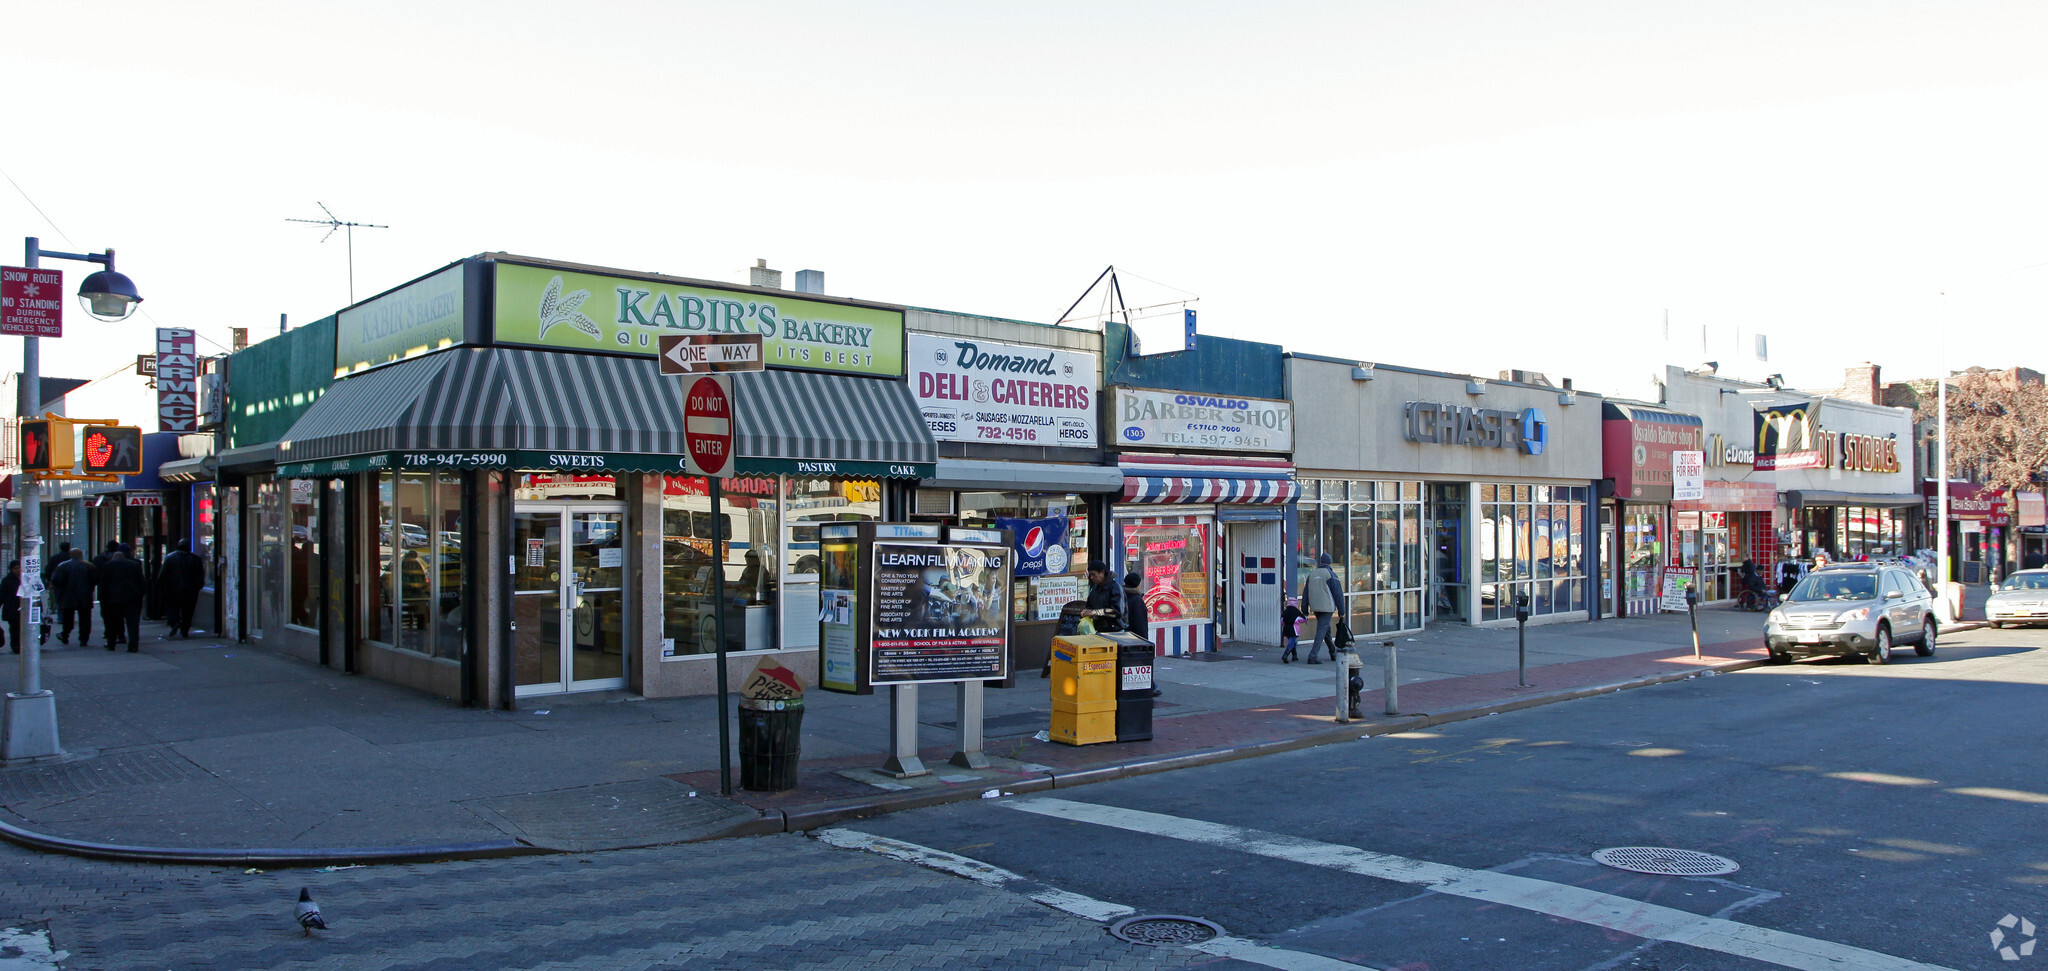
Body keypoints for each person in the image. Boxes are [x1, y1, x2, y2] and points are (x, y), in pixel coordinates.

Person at [98, 547, 146, 653]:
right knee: (133, 624)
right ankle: (133, 645)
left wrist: (103, 599)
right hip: (132, 598)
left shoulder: (108, 566)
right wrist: (140, 595)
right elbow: (141, 582)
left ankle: (111, 643)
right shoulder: (135, 565)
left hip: (114, 598)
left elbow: (104, 584)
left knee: (113, 623)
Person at [1298, 552, 1341, 664]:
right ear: (1330, 562)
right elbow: (1338, 594)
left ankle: (1333, 653)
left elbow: (1305, 593)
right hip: (1327, 607)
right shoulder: (1331, 574)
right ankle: (1313, 655)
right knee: (1321, 630)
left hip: (1315, 607)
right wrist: (1342, 611)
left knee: (1326, 629)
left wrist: (1304, 609)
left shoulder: (1312, 574)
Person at [159, 540, 207, 638]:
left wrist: (162, 587)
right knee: (188, 611)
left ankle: (174, 622)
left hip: (173, 590)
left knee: (172, 608)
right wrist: (197, 587)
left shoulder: (170, 558)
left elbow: (163, 575)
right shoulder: (196, 559)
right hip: (190, 590)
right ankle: (184, 630)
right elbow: (200, 576)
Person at [1065, 561, 1124, 633]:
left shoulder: (1115, 588)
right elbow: (1090, 605)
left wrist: (1094, 612)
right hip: (1097, 630)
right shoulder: (1095, 588)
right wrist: (1086, 611)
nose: (1092, 578)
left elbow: (1117, 611)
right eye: (1090, 575)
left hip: (1114, 631)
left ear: (1102, 572)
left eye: (1093, 575)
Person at [92, 541, 125, 649]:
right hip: (120, 592)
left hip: (105, 592)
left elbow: (95, 576)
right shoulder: (125, 561)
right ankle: (120, 634)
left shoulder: (99, 560)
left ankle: (109, 634)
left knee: (107, 615)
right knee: (119, 615)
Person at [1122, 573, 1149, 640]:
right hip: (1135, 640)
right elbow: (1140, 624)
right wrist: (1145, 642)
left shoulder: (1120, 596)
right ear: (1138, 584)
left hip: (1123, 637)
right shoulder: (1137, 600)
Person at [0, 559, 19, 654]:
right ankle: (15, 645)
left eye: (20, 568)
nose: (18, 570)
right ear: (11, 569)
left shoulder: (26, 579)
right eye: (16, 568)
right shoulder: (7, 581)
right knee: (14, 628)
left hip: (24, 609)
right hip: (12, 608)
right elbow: (2, 595)